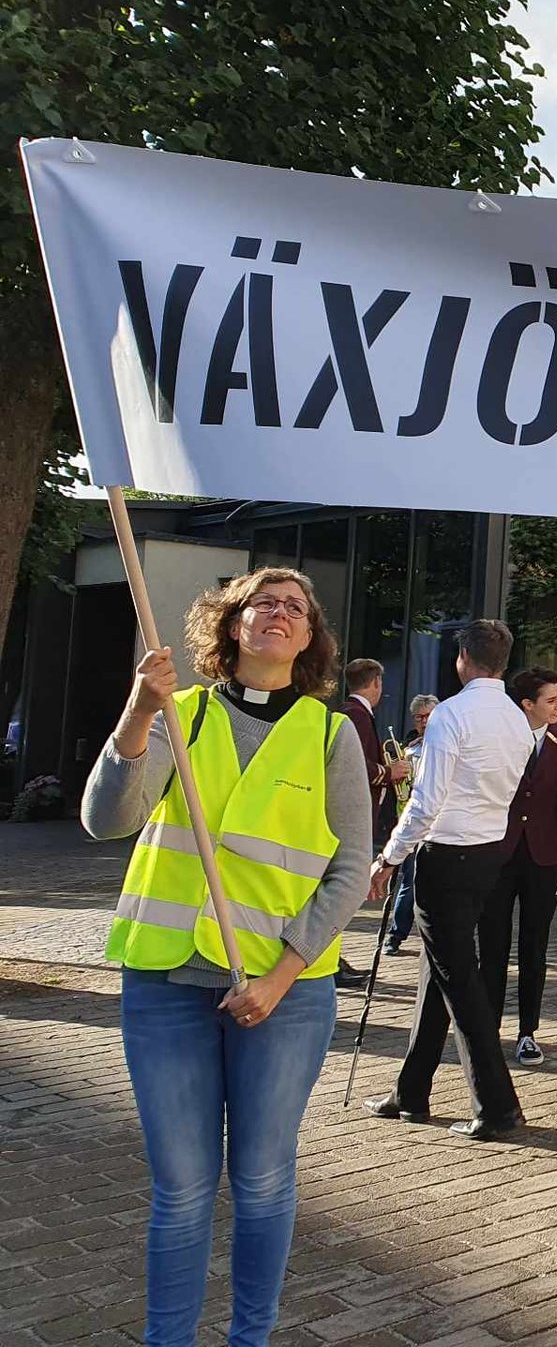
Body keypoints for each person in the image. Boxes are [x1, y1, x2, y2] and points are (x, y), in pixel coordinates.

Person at [81, 567, 371, 1346]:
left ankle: (251, 1338)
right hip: (168, 981)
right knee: (180, 1190)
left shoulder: (332, 733)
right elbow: (107, 820)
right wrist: (138, 712)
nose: (277, 614)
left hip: (284, 995)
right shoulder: (182, 715)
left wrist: (282, 974)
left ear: (309, 637)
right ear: (231, 624)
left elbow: (352, 868)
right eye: (261, 603)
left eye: (294, 607)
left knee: (264, 1179)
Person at [365, 619, 531, 1143]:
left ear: (463, 658)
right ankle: (410, 1091)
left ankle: (498, 1106)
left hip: (448, 854)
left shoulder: (452, 714)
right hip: (487, 853)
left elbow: (426, 800)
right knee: (439, 971)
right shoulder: (515, 718)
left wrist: (390, 855)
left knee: (459, 980)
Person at [478, 668, 557, 1068]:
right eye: (551, 700)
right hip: (498, 852)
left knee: (534, 947)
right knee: (491, 945)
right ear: (528, 704)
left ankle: (527, 1031)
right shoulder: (498, 733)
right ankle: (485, 1029)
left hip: (544, 856)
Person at [337, 659, 409, 989]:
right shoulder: (355, 714)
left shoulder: (355, 712)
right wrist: (388, 772)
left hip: (362, 812)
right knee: (342, 889)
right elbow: (352, 762)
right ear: (376, 682)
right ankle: (331, 960)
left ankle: (333, 958)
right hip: (353, 814)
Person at [383, 693, 438, 954]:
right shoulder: (410, 749)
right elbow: (402, 793)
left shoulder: (447, 745)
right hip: (414, 823)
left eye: (429, 715)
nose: (424, 721)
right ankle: (395, 935)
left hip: (442, 826)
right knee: (408, 882)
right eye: (419, 717)